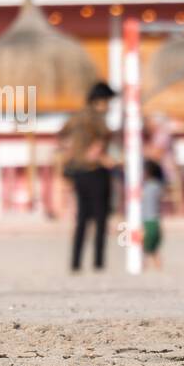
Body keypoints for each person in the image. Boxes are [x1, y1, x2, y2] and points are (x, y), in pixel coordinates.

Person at [63, 82, 117, 273]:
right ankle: (98, 263)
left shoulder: (76, 117)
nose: (109, 106)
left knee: (82, 219)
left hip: (78, 172)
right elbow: (98, 146)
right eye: (108, 102)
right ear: (100, 101)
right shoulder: (97, 119)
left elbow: (63, 137)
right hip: (95, 171)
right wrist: (105, 158)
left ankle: (76, 263)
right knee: (100, 219)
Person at [141, 157, 165, 271]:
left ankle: (144, 265)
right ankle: (157, 265)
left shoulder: (148, 187)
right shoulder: (158, 186)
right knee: (152, 247)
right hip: (154, 219)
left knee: (145, 246)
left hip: (147, 220)